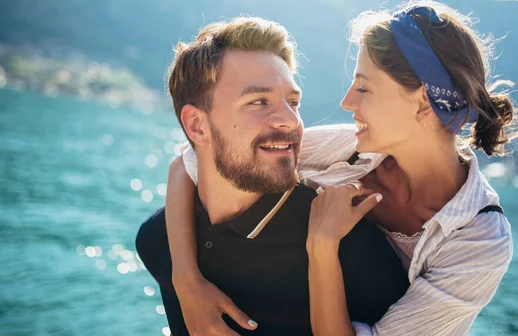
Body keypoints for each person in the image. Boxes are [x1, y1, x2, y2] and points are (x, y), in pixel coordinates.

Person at [162, 0, 518, 335]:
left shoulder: (479, 241)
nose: (347, 101)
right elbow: (191, 157)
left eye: (364, 88)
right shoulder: (349, 148)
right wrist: (187, 280)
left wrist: (322, 245)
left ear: (422, 103)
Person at [135, 17, 410, 336]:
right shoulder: (158, 241)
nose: (290, 121)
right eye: (258, 102)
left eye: (293, 102)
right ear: (197, 126)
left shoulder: (352, 249)